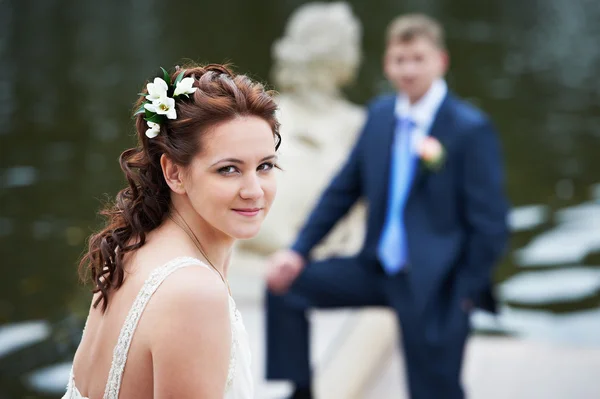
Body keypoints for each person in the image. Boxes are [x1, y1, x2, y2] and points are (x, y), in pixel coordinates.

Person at [265, 13, 509, 399]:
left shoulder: (468, 128)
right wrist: (297, 252)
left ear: (440, 61)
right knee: (285, 286)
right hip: (376, 267)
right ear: (387, 64)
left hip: (437, 283)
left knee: (434, 392)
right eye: (400, 59)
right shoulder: (380, 116)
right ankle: (300, 391)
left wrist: (463, 291)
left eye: (418, 58)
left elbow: (491, 225)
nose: (408, 69)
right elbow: (342, 191)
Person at [63, 63, 281, 399]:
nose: (254, 190)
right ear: (174, 173)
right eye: (228, 170)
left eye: (264, 165)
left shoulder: (131, 246)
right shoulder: (193, 293)